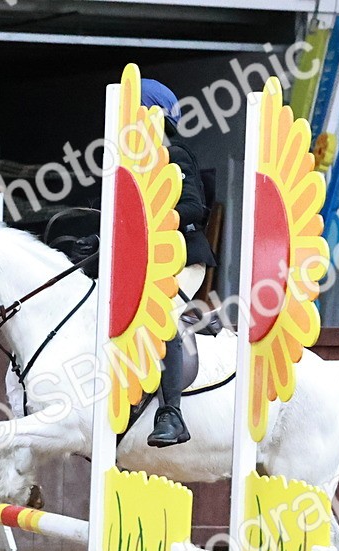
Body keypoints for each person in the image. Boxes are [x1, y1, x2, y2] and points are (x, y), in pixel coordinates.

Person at [140, 78, 218, 447]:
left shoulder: (175, 155)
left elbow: (194, 208)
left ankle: (172, 414)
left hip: (183, 258)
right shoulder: (130, 164)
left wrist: (154, 221)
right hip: (145, 261)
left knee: (163, 313)